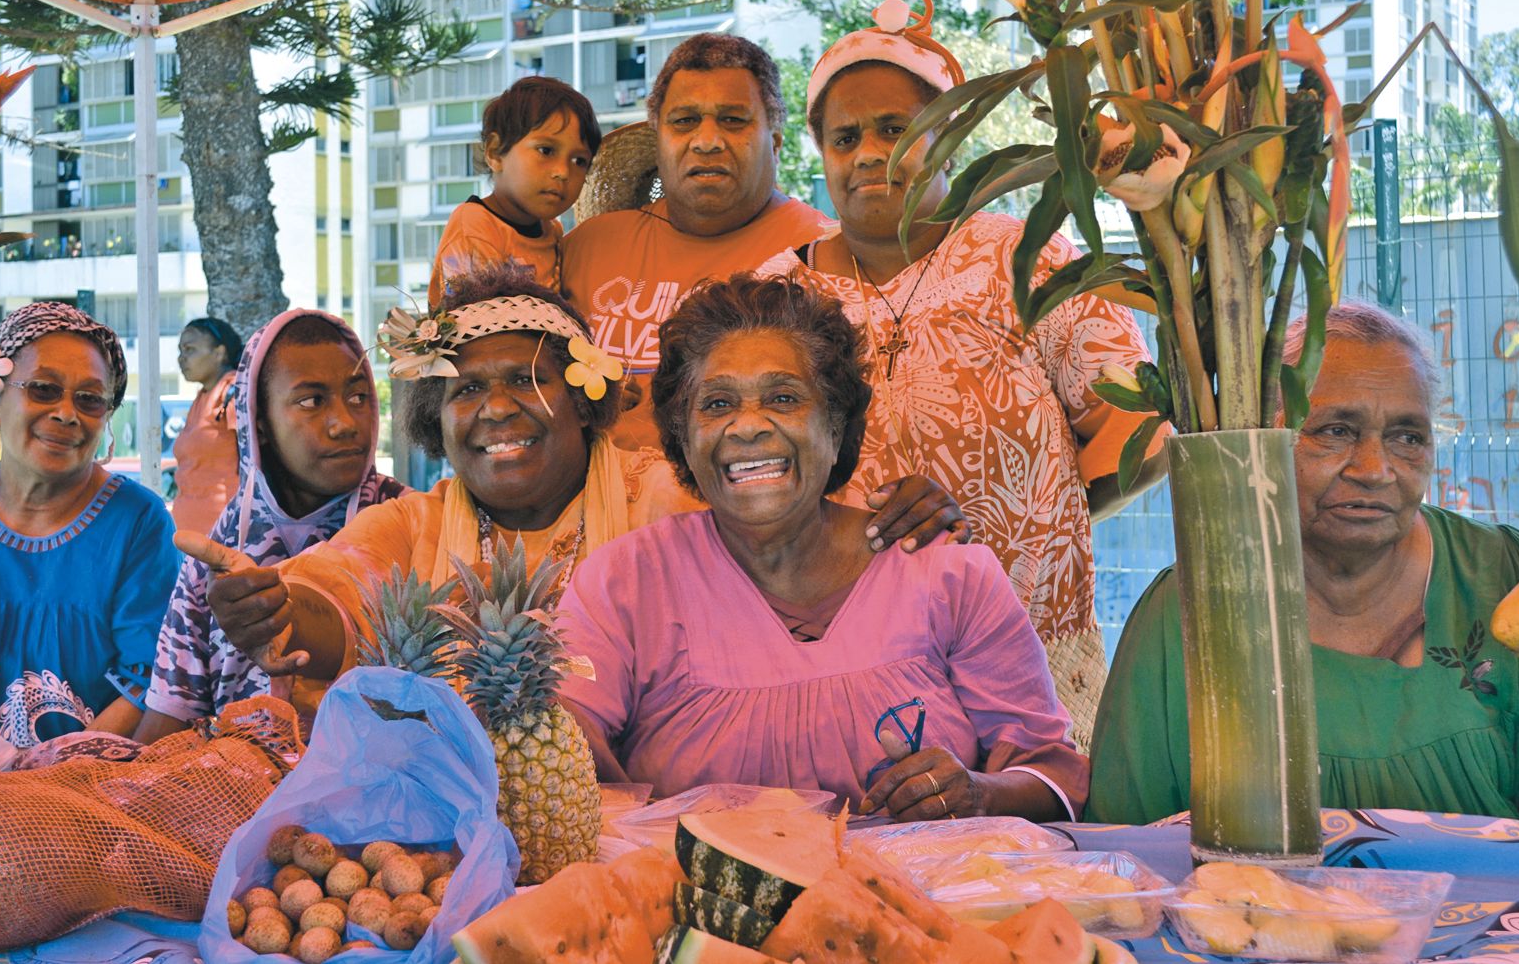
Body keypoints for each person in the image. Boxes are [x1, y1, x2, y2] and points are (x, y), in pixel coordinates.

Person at [195, 266, 969, 697]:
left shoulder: (664, 495)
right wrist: (276, 609)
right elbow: (336, 593)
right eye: (466, 390)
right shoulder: (412, 526)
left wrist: (898, 515)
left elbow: (794, 528)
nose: (497, 409)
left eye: (528, 381)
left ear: (582, 397)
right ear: (439, 418)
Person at [760, 0, 1166, 746]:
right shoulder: (772, 297)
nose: (869, 154)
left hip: (1031, 656)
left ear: (949, 132)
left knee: (1035, 855)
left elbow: (1139, 429)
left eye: (895, 128)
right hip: (844, 666)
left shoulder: (1026, 256)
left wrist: (1036, 514)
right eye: (845, 139)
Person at [557, 274, 1090, 820]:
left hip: (928, 896)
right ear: (683, 440)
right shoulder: (625, 583)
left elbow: (1049, 773)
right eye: (716, 404)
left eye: (783, 398)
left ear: (836, 426)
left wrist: (979, 792)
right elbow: (563, 757)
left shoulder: (948, 572)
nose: (747, 427)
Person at [1089, 301, 1519, 829]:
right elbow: (1128, 845)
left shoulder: (1500, 575)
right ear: (1267, 440)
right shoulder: (1191, 608)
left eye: (1408, 437)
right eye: (1336, 430)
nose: (1375, 470)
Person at [135, 310, 406, 742]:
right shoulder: (220, 546)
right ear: (257, 422)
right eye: (313, 401)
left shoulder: (407, 522)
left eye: (358, 397)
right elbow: (172, 707)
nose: (346, 423)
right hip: (232, 795)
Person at [562, 34, 828, 449]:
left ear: (774, 143)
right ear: (659, 139)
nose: (706, 141)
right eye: (685, 121)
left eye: (733, 120)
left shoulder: (823, 254)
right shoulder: (587, 246)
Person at [0, 302, 179, 743]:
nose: (66, 413)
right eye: (43, 389)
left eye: (90, 399)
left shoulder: (138, 522)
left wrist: (50, 778)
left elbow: (149, 680)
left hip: (80, 789)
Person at [428, 77, 601, 306]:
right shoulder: (473, 226)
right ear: (495, 153)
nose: (563, 172)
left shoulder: (552, 232)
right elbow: (473, 325)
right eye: (546, 150)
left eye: (579, 161)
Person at [171, 316, 243, 535]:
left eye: (190, 349)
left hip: (223, 535)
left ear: (219, 353)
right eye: (180, 350)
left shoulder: (233, 391)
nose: (181, 358)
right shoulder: (202, 397)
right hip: (189, 537)